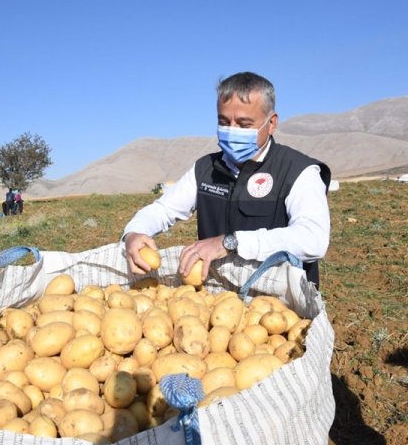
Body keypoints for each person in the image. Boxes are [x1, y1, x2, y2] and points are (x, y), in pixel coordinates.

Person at [123, 71, 331, 285]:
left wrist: (230, 243)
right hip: (216, 296)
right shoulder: (205, 169)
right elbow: (163, 210)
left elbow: (313, 239)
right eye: (223, 122)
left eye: (244, 125)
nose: (232, 132)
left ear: (271, 123)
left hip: (279, 299)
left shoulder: (298, 171)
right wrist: (135, 232)